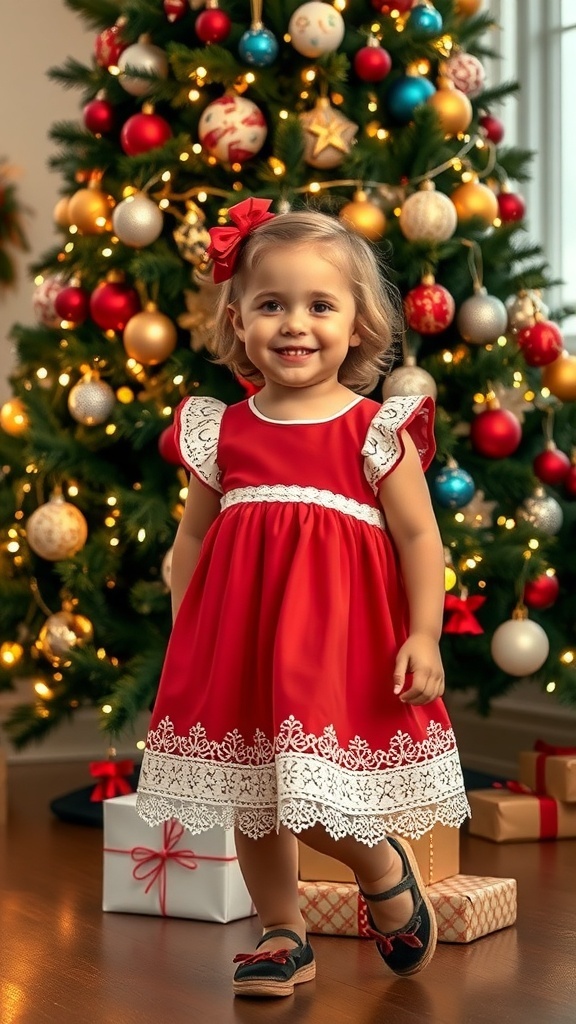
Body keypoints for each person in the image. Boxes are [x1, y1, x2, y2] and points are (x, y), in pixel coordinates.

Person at [136, 197, 470, 998]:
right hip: (241, 644)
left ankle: (381, 868)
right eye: (271, 305)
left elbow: (421, 541)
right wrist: (189, 630)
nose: (295, 324)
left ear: (358, 325)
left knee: (317, 795)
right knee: (255, 797)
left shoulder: (373, 430)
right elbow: (192, 540)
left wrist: (424, 635)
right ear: (238, 323)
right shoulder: (225, 431)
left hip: (335, 650)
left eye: (320, 305)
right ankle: (282, 932)